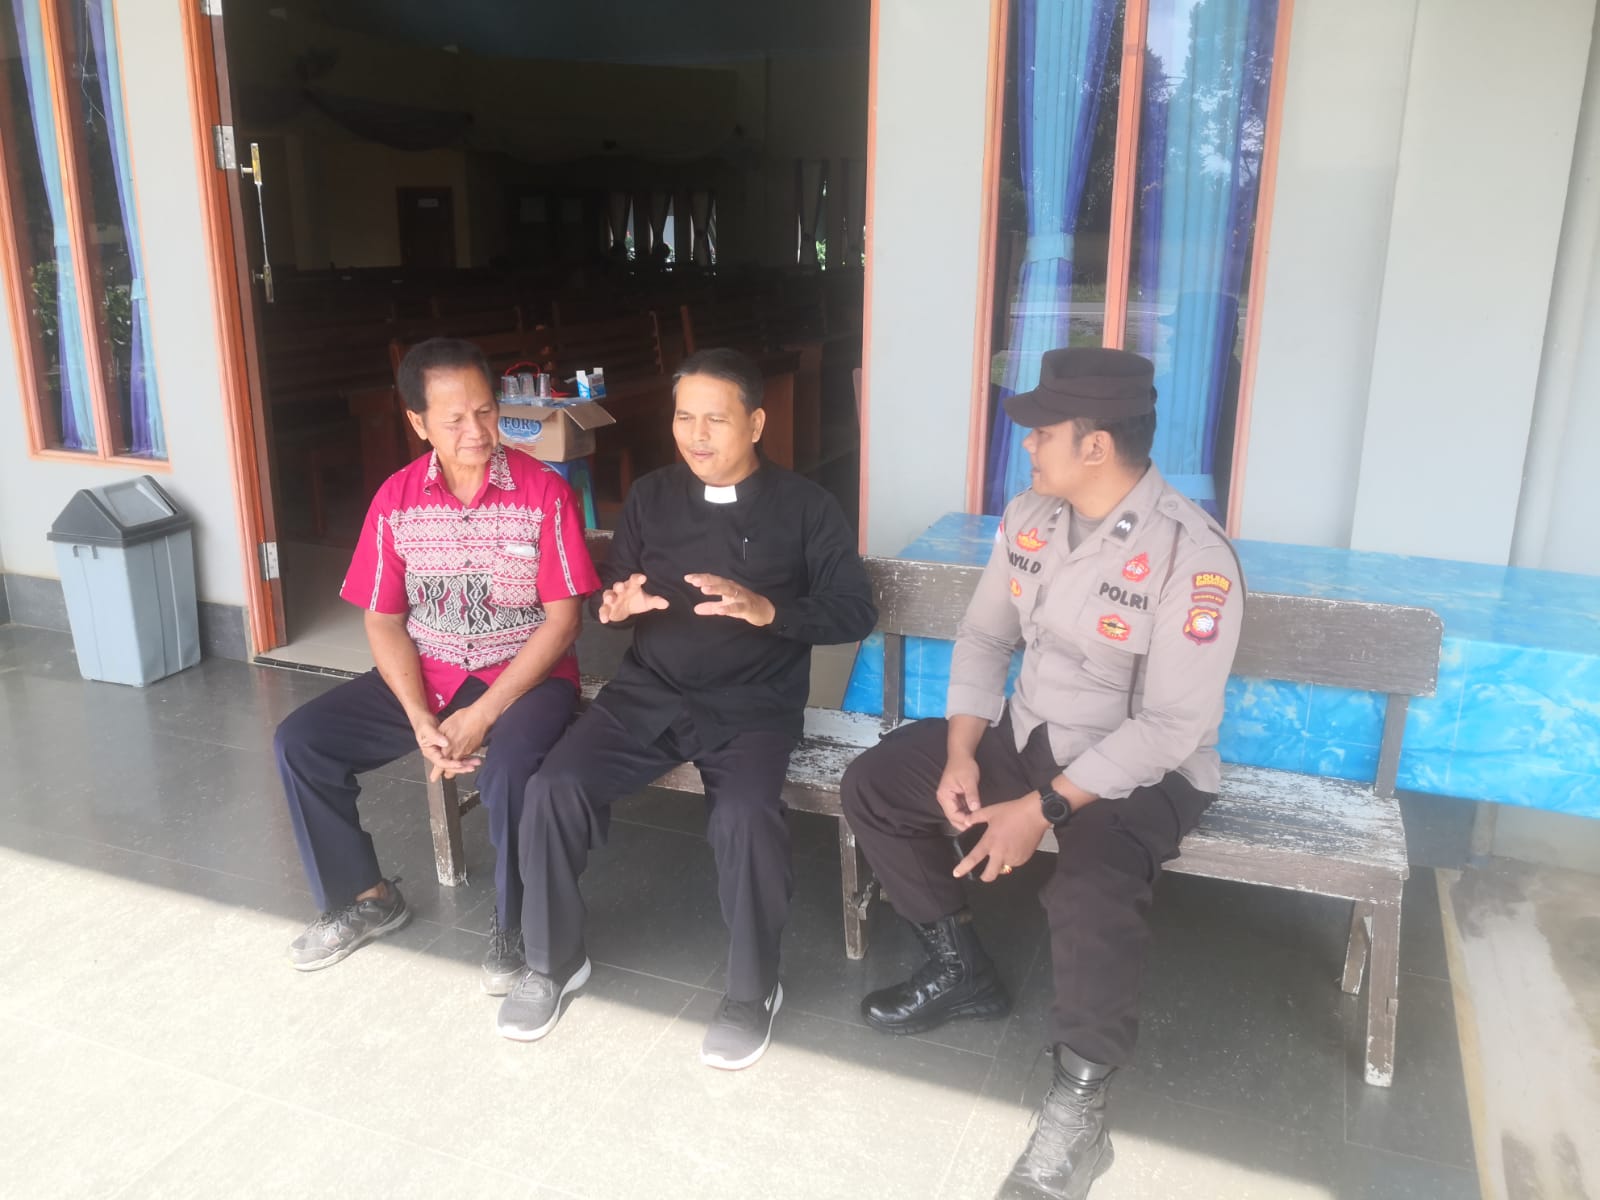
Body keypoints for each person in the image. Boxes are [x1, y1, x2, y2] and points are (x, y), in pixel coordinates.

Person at [839, 347, 1244, 1198]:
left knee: (1091, 890)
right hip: (1027, 734)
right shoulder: (1031, 516)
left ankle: (1081, 1103)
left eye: (1043, 432)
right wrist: (961, 750)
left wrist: (1041, 809)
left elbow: (1171, 727)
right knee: (875, 783)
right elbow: (987, 637)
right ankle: (960, 966)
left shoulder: (1192, 557)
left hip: (1140, 769)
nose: (1026, 444)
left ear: (1095, 447)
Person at [497, 347, 877, 1070]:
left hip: (751, 706)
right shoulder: (652, 496)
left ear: (756, 423)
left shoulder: (806, 507)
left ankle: (753, 990)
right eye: (683, 417)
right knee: (552, 788)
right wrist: (616, 606)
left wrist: (770, 610)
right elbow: (615, 588)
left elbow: (854, 609)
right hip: (648, 693)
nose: (696, 435)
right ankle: (552, 960)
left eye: (716, 420)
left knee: (745, 819)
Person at [274, 337, 600, 993]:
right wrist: (420, 716)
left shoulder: (542, 493)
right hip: (432, 672)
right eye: (453, 419)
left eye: (485, 412)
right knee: (301, 742)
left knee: (510, 771)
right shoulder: (396, 501)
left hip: (525, 677)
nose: (475, 431)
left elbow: (564, 622)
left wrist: (481, 715)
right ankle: (366, 899)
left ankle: (518, 926)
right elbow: (383, 619)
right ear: (417, 422)